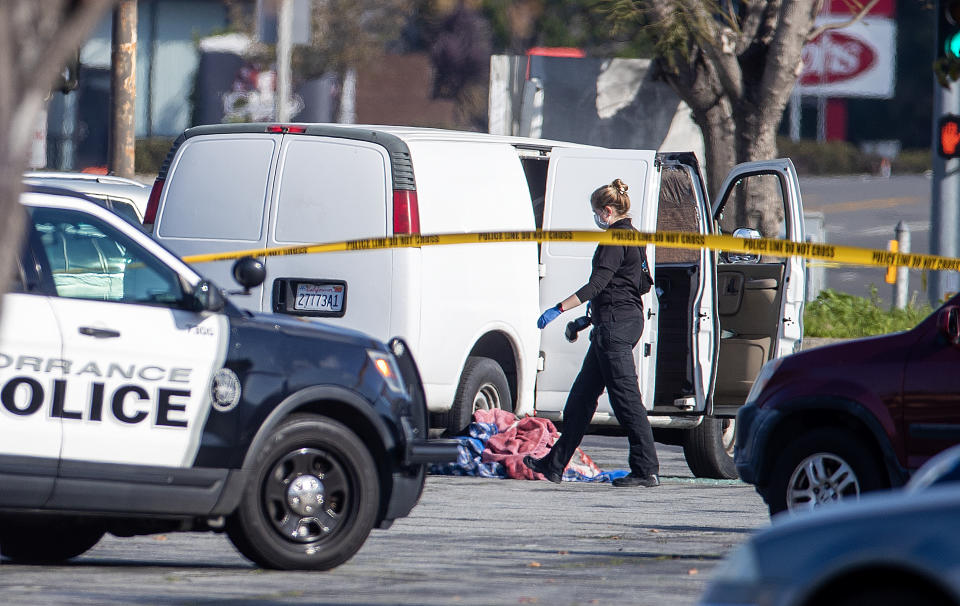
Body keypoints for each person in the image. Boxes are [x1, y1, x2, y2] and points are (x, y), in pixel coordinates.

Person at [523, 178, 660, 488]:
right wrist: (588, 320)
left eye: (597, 212)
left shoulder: (614, 239)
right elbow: (638, 284)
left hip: (615, 327)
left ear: (607, 210)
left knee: (626, 400)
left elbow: (597, 285)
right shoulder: (635, 238)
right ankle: (554, 465)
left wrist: (558, 309)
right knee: (581, 400)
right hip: (617, 323)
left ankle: (645, 469)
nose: (596, 218)